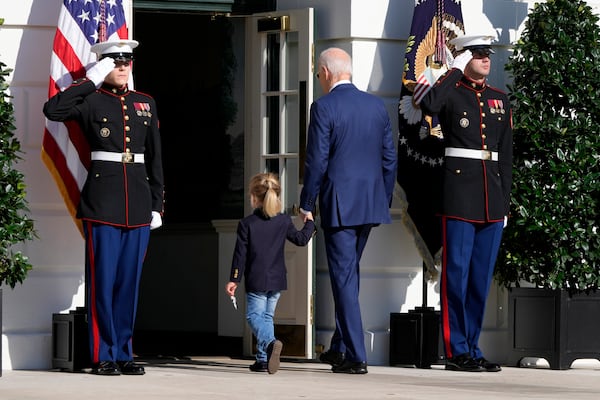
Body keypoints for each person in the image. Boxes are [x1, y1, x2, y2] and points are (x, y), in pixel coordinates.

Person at [43, 38, 164, 376]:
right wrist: (90, 79)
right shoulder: (90, 100)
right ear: (103, 66)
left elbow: (155, 160)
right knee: (103, 282)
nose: (123, 67)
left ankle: (124, 352)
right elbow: (53, 110)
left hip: (139, 206)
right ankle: (102, 355)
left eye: (126, 61)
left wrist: (157, 205)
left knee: (129, 284)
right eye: (115, 62)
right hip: (103, 204)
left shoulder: (145, 103)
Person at [299, 48, 398, 374]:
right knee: (349, 274)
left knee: (343, 278)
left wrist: (306, 203)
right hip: (369, 204)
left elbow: (317, 161)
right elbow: (389, 159)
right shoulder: (375, 106)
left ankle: (356, 356)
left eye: (318, 74)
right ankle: (340, 347)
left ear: (326, 72)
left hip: (340, 205)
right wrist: (381, 201)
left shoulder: (323, 106)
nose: (319, 79)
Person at [419, 33, 513, 372]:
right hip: (458, 195)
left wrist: (503, 203)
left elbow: (505, 158)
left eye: (488, 54)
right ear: (462, 58)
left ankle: (472, 346)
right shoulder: (450, 92)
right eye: (477, 54)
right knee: (455, 277)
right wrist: (453, 72)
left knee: (479, 278)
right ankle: (456, 349)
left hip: (491, 199)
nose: (486, 59)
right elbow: (427, 106)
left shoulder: (499, 98)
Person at [225, 172, 316, 374]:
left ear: (254, 197)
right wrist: (310, 222)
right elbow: (301, 239)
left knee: (253, 317)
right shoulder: (283, 220)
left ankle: (270, 343)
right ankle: (263, 360)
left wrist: (234, 278)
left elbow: (240, 255)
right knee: (266, 318)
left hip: (257, 279)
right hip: (277, 279)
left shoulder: (247, 224)